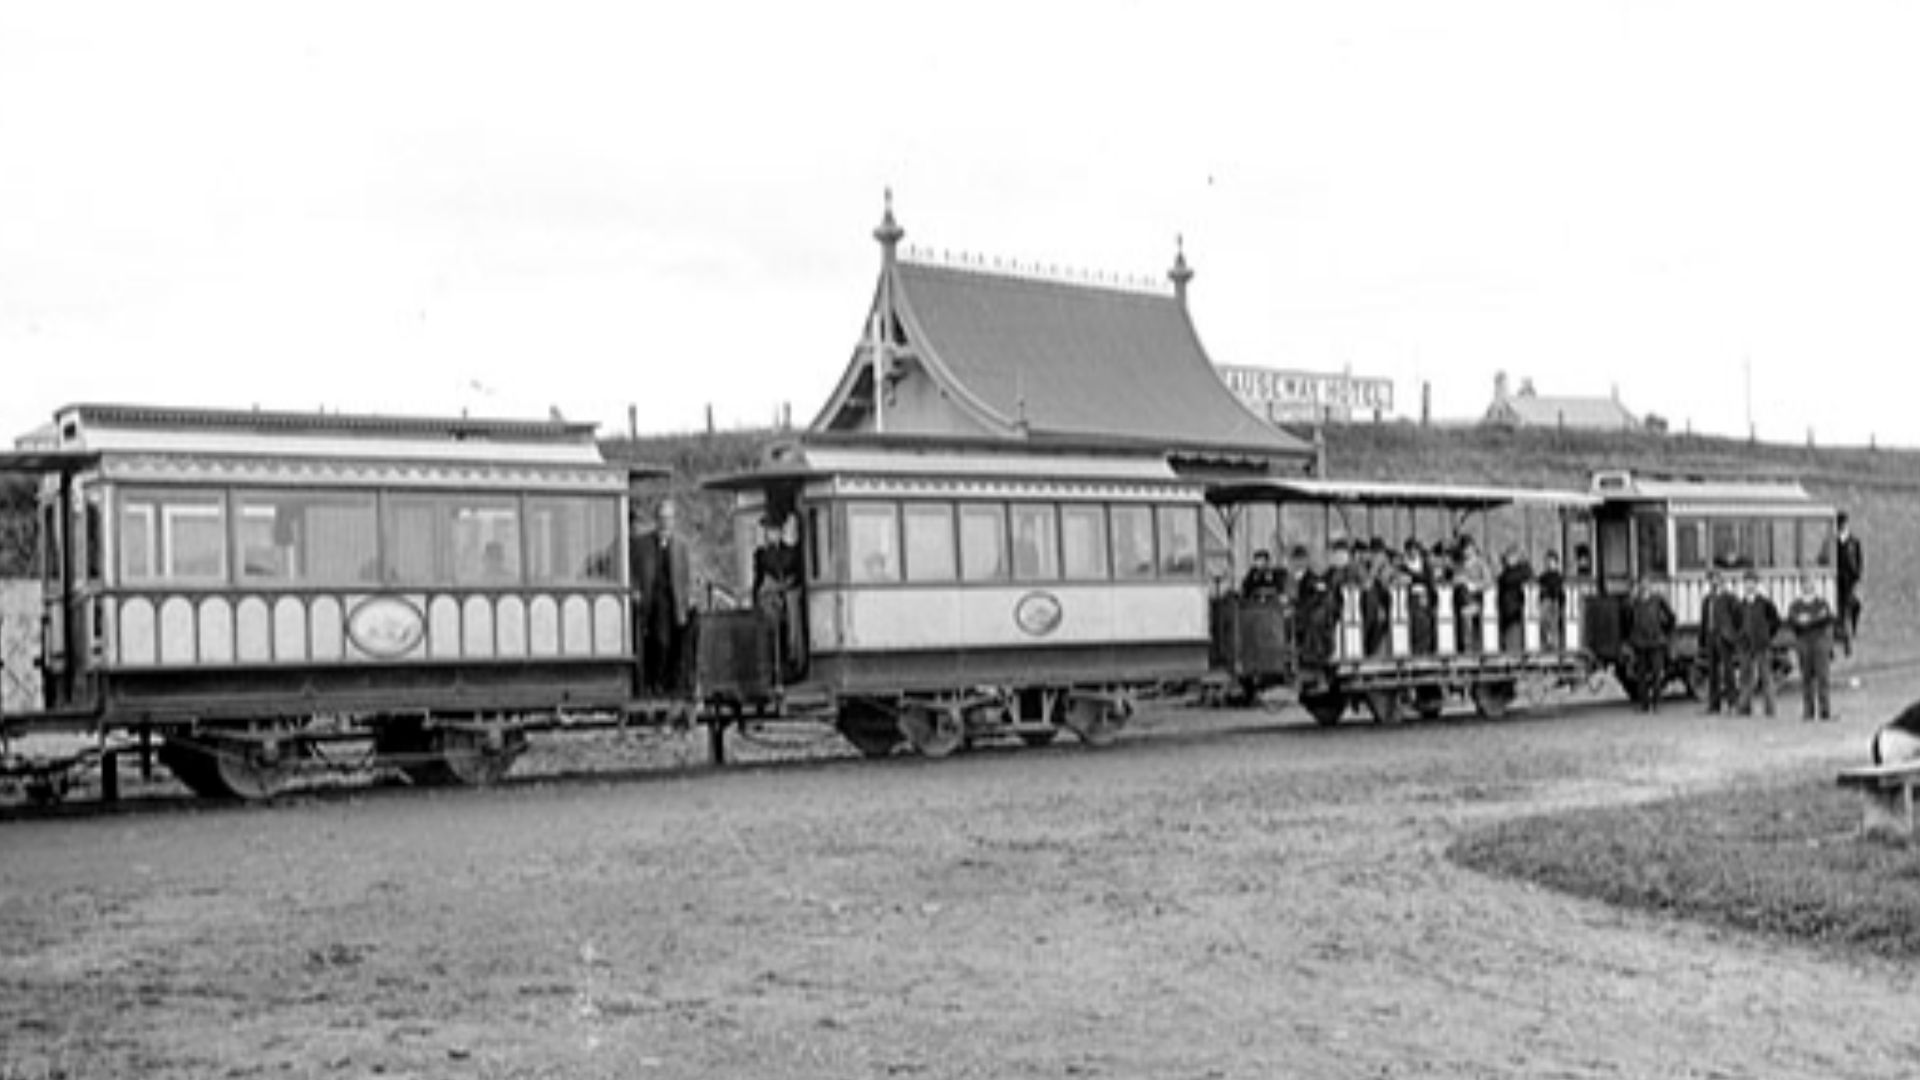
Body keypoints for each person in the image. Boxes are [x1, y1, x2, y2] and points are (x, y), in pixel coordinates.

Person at [632, 498, 694, 695]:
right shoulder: (642, 544)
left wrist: (688, 598)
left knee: (675, 645)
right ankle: (656, 684)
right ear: (656, 520)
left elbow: (686, 575)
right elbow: (633, 571)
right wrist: (636, 591)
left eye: (669, 518)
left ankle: (670, 686)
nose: (665, 522)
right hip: (653, 602)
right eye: (662, 518)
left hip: (674, 603)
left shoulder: (681, 545)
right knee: (659, 643)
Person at [752, 513, 805, 681]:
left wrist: (783, 588)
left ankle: (793, 659)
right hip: (770, 599)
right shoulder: (761, 554)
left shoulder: (791, 552)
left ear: (780, 532)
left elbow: (794, 577)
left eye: (773, 531)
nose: (770, 534)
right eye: (768, 531)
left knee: (791, 619)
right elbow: (759, 580)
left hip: (788, 599)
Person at [1785, 575, 1835, 722]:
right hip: (1803, 643)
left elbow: (1825, 618)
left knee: (1823, 678)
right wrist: (1810, 620)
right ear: (1802, 586)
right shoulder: (1796, 605)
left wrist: (1807, 620)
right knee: (1806, 678)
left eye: (1811, 584)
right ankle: (1808, 711)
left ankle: (1825, 711)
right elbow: (1793, 621)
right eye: (1805, 584)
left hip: (1820, 642)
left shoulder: (1821, 603)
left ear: (1814, 586)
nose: (1808, 586)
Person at [1624, 577, 1675, 713]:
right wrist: (1632, 637)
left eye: (1647, 586)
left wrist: (1664, 631)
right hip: (1640, 643)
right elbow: (1628, 619)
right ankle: (1644, 704)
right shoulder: (1635, 603)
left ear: (1650, 587)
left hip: (1656, 642)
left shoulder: (1658, 600)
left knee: (1657, 674)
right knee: (1641, 675)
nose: (1644, 588)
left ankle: (1656, 703)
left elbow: (1671, 616)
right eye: (1642, 586)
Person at [1734, 570, 1781, 718]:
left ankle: (1770, 709)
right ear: (1744, 585)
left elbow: (1775, 621)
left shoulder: (1765, 603)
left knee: (1766, 677)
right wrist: (1740, 636)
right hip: (1746, 646)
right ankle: (1744, 708)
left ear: (1756, 584)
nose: (1749, 585)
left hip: (1762, 645)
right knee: (1745, 678)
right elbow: (1736, 623)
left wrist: (1767, 635)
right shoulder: (1740, 605)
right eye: (1747, 582)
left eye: (1752, 582)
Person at [1697, 569, 1738, 715]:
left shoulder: (1729, 597)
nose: (1713, 583)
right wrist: (1702, 640)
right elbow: (1704, 621)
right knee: (1713, 672)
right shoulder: (1707, 599)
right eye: (1710, 580)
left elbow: (1736, 616)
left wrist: (1732, 634)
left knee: (1728, 671)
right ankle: (1714, 704)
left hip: (1724, 637)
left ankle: (1732, 703)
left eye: (1715, 579)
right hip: (1710, 636)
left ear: (1721, 581)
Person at [1836, 512, 1864, 657]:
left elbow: (1859, 559)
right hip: (1837, 580)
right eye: (1840, 523)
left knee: (1855, 606)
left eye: (1844, 523)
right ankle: (1846, 641)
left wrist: (1858, 575)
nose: (1842, 526)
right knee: (1842, 611)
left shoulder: (1854, 541)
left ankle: (1852, 631)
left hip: (1850, 581)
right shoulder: (1833, 541)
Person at [1496, 546, 1532, 653]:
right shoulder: (1507, 572)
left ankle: (1513, 657)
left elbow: (1507, 580)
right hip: (1506, 608)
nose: (1508, 560)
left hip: (1514, 609)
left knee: (1513, 636)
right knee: (1507, 636)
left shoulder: (1521, 571)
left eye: (1510, 557)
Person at [1537, 550, 1566, 652]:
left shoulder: (1558, 577)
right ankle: (1547, 644)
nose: (1549, 564)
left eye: (1551, 561)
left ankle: (1553, 645)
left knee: (1553, 625)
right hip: (1546, 601)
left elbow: (1560, 590)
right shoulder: (1543, 577)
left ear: (1556, 563)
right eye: (1548, 561)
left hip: (1554, 602)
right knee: (1544, 623)